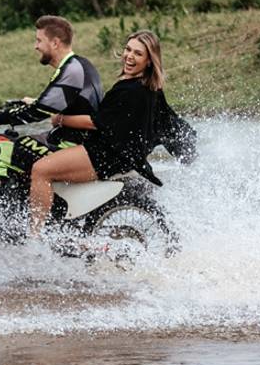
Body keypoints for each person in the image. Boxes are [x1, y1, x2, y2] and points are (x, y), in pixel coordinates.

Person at [29, 29, 196, 236]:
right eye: (128, 49)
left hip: (106, 154)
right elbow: (165, 121)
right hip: (121, 153)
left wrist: (60, 119)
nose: (129, 56)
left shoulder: (132, 90)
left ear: (149, 61)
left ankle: (34, 236)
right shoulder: (149, 87)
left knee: (41, 170)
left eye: (138, 53)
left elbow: (95, 122)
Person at [0, 15, 103, 240]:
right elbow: (60, 102)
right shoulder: (78, 65)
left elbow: (40, 111)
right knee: (15, 144)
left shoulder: (72, 70)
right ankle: (27, 212)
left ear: (55, 43)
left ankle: (9, 227)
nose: (36, 46)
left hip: (71, 145)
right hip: (71, 139)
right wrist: (32, 102)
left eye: (39, 40)